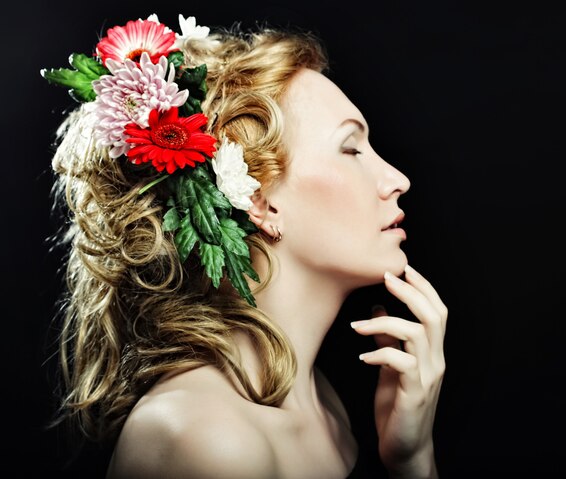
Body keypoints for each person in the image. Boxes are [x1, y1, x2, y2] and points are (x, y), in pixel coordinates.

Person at [42, 13, 448, 479]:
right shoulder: (201, 438)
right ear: (260, 200)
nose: (397, 180)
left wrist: (413, 461)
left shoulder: (324, 404)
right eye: (351, 149)